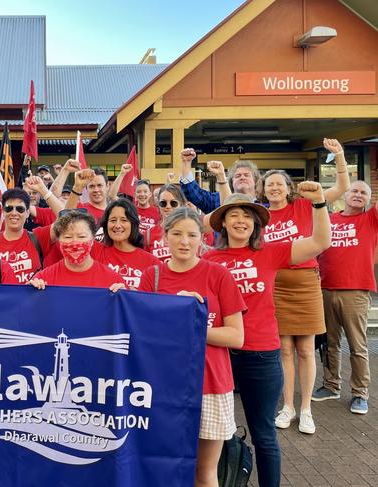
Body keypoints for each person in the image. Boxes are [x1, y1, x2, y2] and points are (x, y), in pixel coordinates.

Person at [202, 188, 330, 487]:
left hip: (260, 353)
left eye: (248, 216)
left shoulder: (270, 252)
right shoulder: (208, 260)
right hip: (216, 355)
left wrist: (320, 202)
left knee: (264, 435)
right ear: (222, 223)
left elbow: (321, 242)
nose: (241, 220)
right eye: (233, 215)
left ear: (256, 225)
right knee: (211, 430)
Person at [139, 207, 245, 487]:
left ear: (202, 238)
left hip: (211, 383)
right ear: (164, 237)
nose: (184, 241)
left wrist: (194, 322)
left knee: (204, 473)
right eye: (177, 234)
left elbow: (236, 337)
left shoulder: (218, 274)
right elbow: (143, 332)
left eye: (191, 235)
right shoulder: (153, 276)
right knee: (164, 466)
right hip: (164, 386)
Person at [261, 139, 349, 434]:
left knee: (307, 350)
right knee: (284, 350)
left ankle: (307, 409)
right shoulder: (260, 217)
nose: (273, 189)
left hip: (306, 282)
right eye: (269, 185)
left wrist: (338, 156)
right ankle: (287, 406)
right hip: (276, 285)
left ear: (288, 187)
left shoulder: (304, 205)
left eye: (278, 184)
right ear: (263, 190)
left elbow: (340, 190)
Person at [314, 180, 376, 415]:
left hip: (355, 291)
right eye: (354, 191)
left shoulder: (370, 219)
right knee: (329, 343)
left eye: (364, 193)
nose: (358, 195)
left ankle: (360, 393)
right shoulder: (329, 219)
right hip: (325, 289)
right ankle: (331, 386)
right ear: (345, 194)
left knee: (357, 345)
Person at [30, 210, 126, 291]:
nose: (74, 243)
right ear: (59, 240)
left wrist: (125, 296)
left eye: (81, 236)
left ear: (93, 239)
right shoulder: (43, 279)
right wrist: (30, 291)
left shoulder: (113, 280)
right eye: (68, 237)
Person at [0, 187, 53, 283]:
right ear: (3, 212)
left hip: (31, 297)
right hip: (2, 297)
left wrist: (44, 190)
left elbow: (66, 220)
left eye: (20, 209)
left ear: (27, 213)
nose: (14, 213)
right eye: (9, 208)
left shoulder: (39, 237)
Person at [93, 199, 159, 290]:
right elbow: (69, 228)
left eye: (124, 220)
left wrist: (135, 294)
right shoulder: (96, 251)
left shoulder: (152, 262)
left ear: (133, 224)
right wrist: (77, 189)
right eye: (113, 220)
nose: (117, 225)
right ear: (106, 224)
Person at [180, 148, 261, 213]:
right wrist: (186, 162)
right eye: (237, 176)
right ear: (231, 182)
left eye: (247, 175)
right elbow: (194, 193)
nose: (242, 177)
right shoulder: (217, 200)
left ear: (255, 180)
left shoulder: (266, 204)